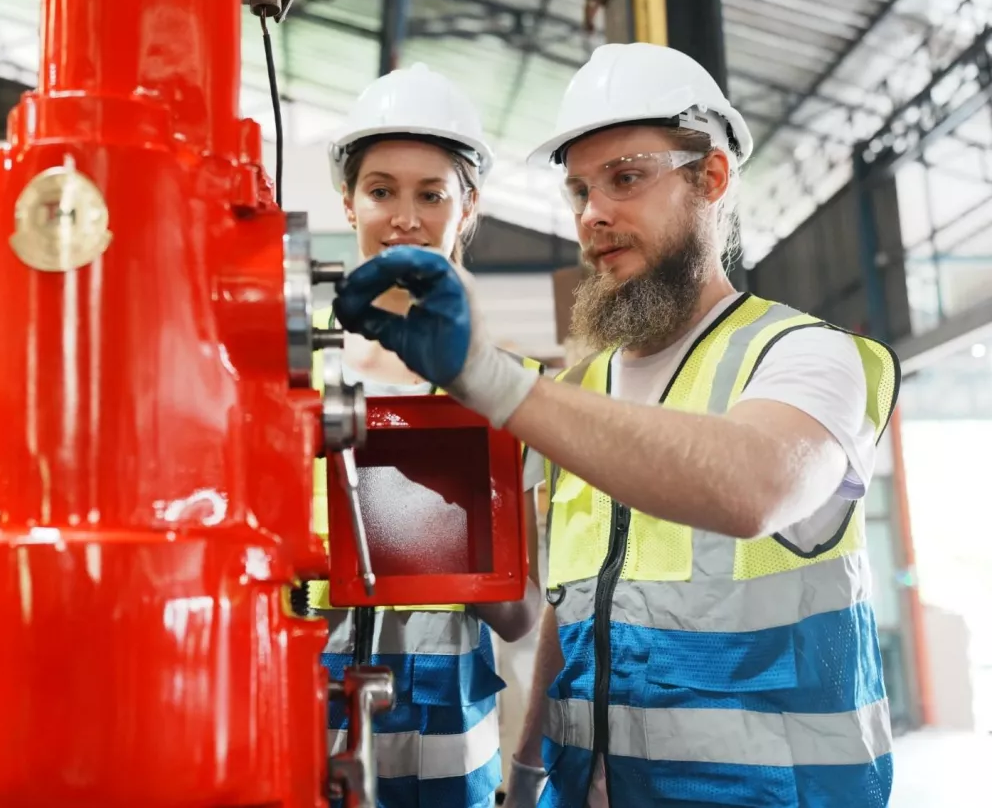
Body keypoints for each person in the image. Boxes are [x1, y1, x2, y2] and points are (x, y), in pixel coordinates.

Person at [330, 43, 899, 808]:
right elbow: (571, 613)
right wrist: (526, 774)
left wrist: (491, 382)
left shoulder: (808, 355)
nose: (594, 213)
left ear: (712, 178)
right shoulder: (579, 392)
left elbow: (754, 484)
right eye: (578, 190)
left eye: (627, 177)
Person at [310, 62, 547, 808]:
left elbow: (522, 613)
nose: (404, 216)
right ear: (348, 203)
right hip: (311, 715)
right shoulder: (293, 383)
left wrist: (454, 543)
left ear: (468, 206)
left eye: (431, 193)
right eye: (381, 190)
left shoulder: (513, 391)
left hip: (456, 746)